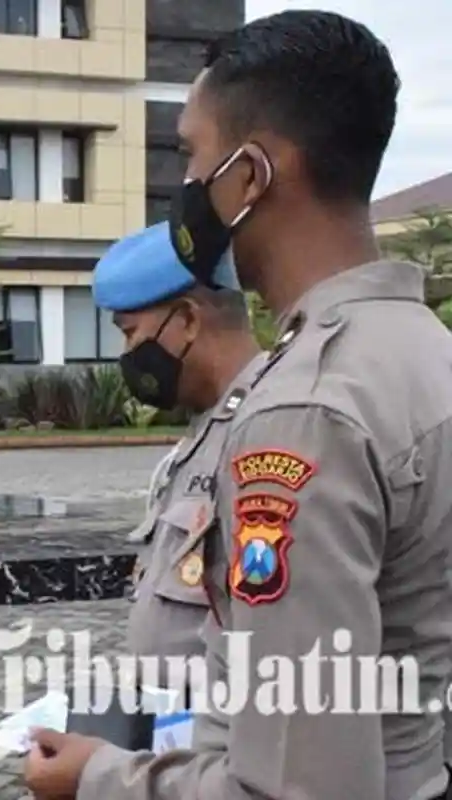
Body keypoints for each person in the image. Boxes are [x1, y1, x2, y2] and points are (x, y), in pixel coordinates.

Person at [25, 10, 452, 800]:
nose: (186, 190)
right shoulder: (424, 352)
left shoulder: (308, 408)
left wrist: (101, 778)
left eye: (193, 156)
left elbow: (295, 786)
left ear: (251, 175)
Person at [94, 222, 265, 684]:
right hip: (176, 738)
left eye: (130, 333)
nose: (127, 353)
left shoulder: (268, 432)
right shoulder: (201, 434)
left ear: (188, 320)